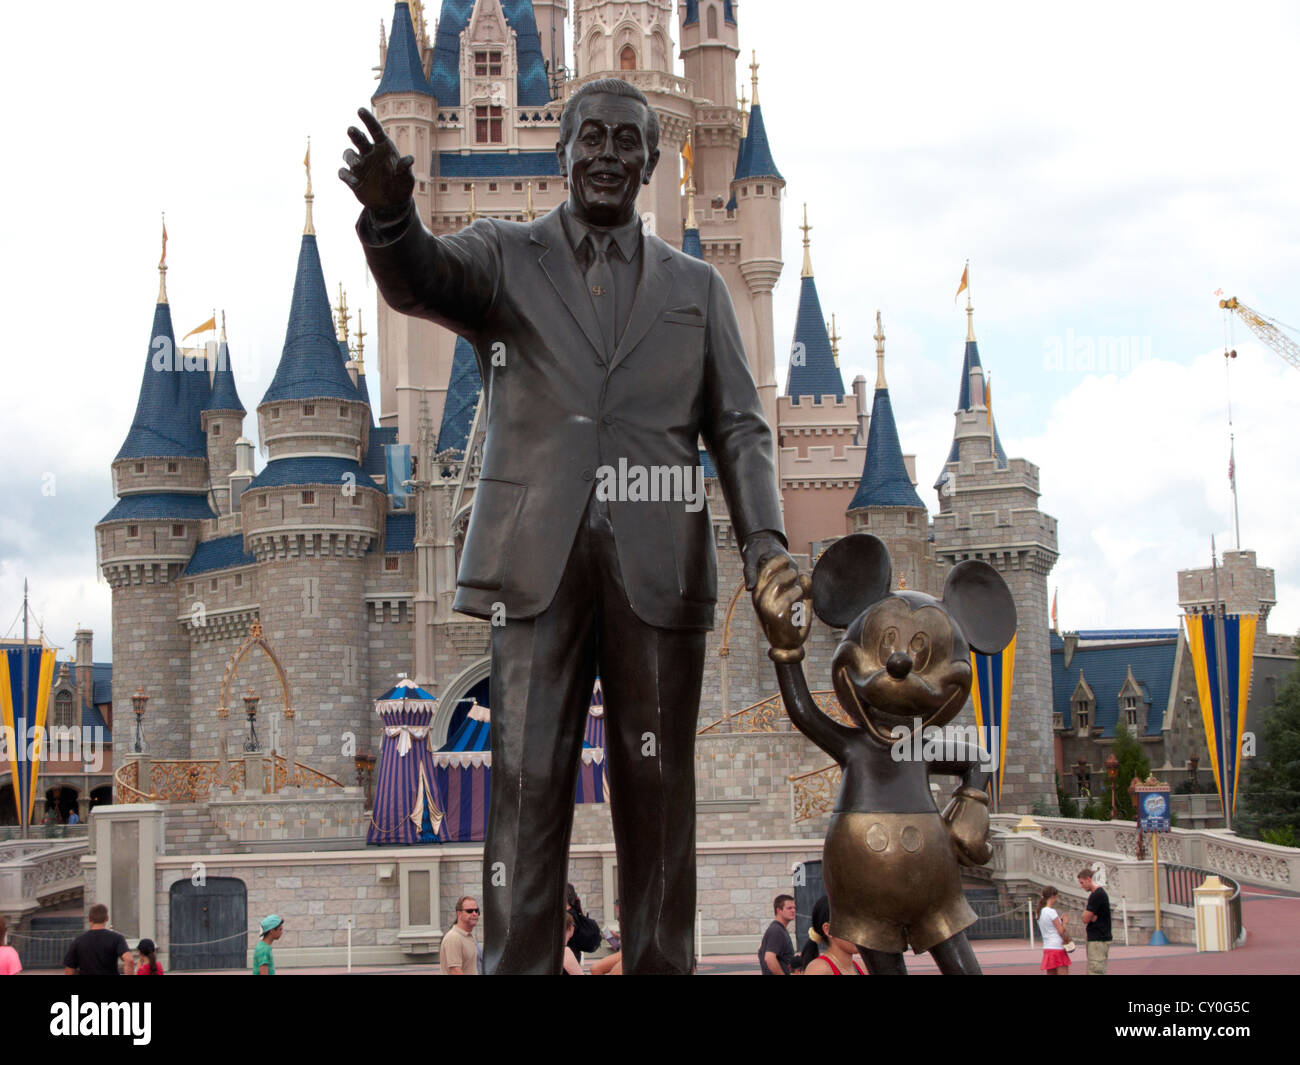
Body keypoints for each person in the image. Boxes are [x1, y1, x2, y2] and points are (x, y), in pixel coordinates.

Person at [342, 77, 794, 975]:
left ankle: (663, 963)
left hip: (661, 566)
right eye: (591, 137)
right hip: (534, 562)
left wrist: (769, 544)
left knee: (658, 787)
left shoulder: (699, 291)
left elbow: (739, 425)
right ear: (562, 152)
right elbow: (422, 277)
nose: (608, 156)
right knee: (524, 783)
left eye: (629, 142)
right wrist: (393, 219)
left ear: (654, 159)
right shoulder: (508, 257)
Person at [797, 896, 864, 976]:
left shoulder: (861, 966)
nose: (859, 931)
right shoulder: (819, 969)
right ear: (828, 929)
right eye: (851, 924)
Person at [63, 903, 134, 975]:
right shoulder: (117, 938)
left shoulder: (79, 941)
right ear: (107, 918)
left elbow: (69, 968)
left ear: (89, 919)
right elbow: (129, 960)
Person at [1078, 867, 1113, 975]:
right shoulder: (1096, 894)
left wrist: (1088, 916)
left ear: (1089, 879)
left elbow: (1085, 918)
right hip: (1097, 939)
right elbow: (1088, 917)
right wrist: (1089, 916)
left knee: (1095, 970)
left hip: (1098, 939)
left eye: (1082, 882)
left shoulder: (1097, 895)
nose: (1081, 886)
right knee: (1093, 970)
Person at [439, 896, 480, 975]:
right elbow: (455, 971)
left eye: (477, 910)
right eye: (469, 911)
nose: (474, 914)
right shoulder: (453, 938)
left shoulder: (468, 936)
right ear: (459, 913)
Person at [1036, 887, 1071, 975]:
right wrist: (1065, 922)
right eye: (1056, 897)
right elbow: (1061, 931)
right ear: (1052, 897)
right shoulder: (1051, 912)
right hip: (1057, 947)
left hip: (1048, 947)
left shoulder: (1039, 912)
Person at [758, 895, 797, 975]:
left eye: (794, 908)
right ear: (779, 910)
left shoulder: (778, 929)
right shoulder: (776, 931)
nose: (793, 910)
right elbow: (769, 958)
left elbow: (760, 950)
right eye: (789, 908)